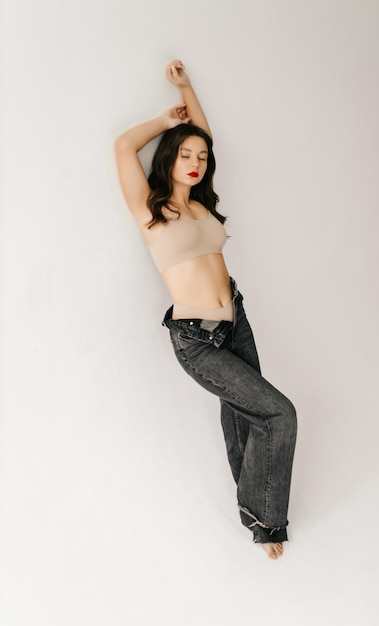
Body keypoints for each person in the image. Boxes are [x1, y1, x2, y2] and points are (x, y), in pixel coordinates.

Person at [115, 59, 297, 560]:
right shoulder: (152, 211)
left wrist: (189, 88)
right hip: (197, 338)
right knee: (279, 414)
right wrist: (169, 119)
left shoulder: (202, 204)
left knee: (244, 416)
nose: (195, 162)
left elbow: (205, 140)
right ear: (170, 158)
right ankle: (270, 521)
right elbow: (123, 146)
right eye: (185, 155)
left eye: (201, 156)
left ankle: (253, 514)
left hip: (235, 319)